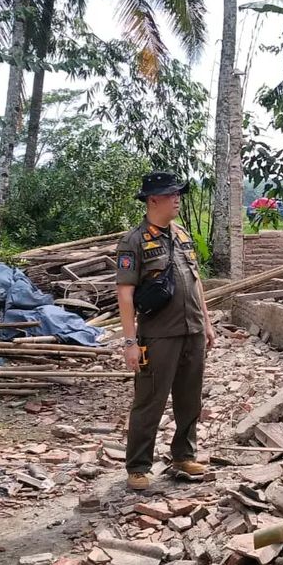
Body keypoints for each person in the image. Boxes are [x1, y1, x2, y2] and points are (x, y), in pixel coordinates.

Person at [116, 171, 215, 491]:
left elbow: (196, 282)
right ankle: (138, 466)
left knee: (190, 399)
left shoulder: (182, 235)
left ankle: (183, 456)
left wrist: (207, 322)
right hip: (158, 335)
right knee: (150, 401)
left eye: (178, 194)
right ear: (152, 200)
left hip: (192, 330)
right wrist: (130, 342)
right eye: (171, 194)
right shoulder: (133, 241)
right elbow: (125, 294)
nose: (177, 199)